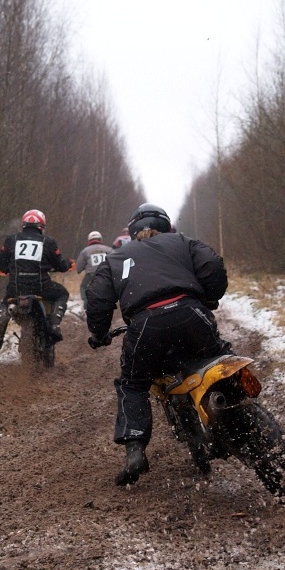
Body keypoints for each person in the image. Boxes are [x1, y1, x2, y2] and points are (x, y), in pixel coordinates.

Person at [85, 203, 231, 487]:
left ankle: (135, 450)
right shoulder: (182, 241)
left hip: (145, 325)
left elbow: (98, 299)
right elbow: (212, 266)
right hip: (192, 314)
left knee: (133, 384)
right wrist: (210, 297)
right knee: (220, 359)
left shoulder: (116, 257)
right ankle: (236, 410)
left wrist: (99, 334)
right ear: (166, 226)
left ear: (132, 231)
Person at [0, 209, 75, 351]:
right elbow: (61, 265)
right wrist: (69, 264)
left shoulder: (11, 240)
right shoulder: (48, 242)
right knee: (62, 293)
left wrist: (6, 269)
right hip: (41, 287)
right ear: (41, 225)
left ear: (23, 224)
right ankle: (54, 324)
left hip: (16, 287)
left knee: (6, 301)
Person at [76, 231, 112, 309]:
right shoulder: (108, 249)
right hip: (106, 274)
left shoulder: (85, 251)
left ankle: (86, 304)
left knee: (83, 287)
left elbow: (79, 267)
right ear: (100, 239)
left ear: (89, 240)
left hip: (91, 275)